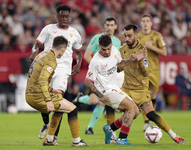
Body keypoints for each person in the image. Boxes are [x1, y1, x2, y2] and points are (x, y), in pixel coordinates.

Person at [29, 4, 88, 146]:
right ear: (57, 15)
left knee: (57, 99)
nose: (64, 18)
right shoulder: (48, 29)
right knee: (46, 97)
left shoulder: (74, 33)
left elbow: (79, 52)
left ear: (69, 16)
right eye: (61, 15)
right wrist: (34, 52)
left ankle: (52, 137)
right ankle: (47, 124)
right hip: (47, 65)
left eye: (66, 16)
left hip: (62, 69)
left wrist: (78, 64)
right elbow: (37, 44)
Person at [118, 24, 185, 144]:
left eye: (129, 36)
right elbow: (118, 69)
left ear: (136, 35)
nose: (127, 38)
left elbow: (146, 73)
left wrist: (139, 61)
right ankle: (119, 138)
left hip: (141, 89)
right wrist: (126, 62)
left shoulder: (142, 50)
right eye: (125, 36)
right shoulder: (121, 49)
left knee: (150, 114)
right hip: (127, 88)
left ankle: (174, 136)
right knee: (130, 112)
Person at [85, 34, 141, 145]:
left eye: (108, 48)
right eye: (103, 49)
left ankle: (110, 129)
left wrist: (130, 60)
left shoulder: (114, 50)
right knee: (130, 107)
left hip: (114, 87)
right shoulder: (95, 61)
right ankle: (121, 139)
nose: (106, 52)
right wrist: (100, 96)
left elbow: (120, 63)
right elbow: (87, 82)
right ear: (99, 46)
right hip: (105, 91)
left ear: (111, 44)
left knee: (135, 111)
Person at [72, 17, 121, 138]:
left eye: (111, 25)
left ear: (115, 27)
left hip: (110, 78)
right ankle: (80, 100)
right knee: (96, 100)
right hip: (98, 76)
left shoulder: (118, 42)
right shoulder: (96, 38)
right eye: (107, 25)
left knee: (102, 102)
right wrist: (99, 70)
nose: (109, 27)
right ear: (104, 26)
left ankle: (89, 128)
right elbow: (87, 55)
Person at [137, 14, 167, 131]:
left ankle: (151, 118)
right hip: (142, 71)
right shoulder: (138, 37)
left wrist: (150, 46)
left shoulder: (157, 36)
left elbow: (164, 52)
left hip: (154, 71)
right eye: (143, 21)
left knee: (153, 95)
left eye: (147, 21)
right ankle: (146, 121)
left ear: (151, 23)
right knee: (145, 95)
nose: (145, 23)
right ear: (141, 23)